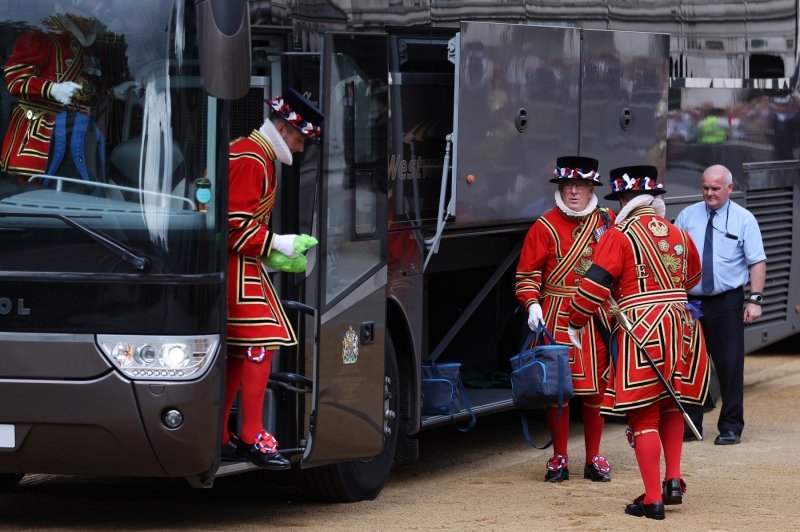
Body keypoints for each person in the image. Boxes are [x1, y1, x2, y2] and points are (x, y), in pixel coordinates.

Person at [567, 165, 710, 520]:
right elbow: (694, 274)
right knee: (672, 401)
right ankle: (673, 478)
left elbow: (596, 285)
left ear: (625, 198)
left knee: (643, 412)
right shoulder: (678, 232)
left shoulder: (618, 234)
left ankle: (652, 499)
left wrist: (575, 319)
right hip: (681, 326)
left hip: (642, 327)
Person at [222, 88, 323, 469]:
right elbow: (233, 225)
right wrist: (277, 242)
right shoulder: (252, 158)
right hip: (237, 270)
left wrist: (274, 252)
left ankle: (225, 432)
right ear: (282, 128)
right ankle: (251, 433)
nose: (299, 149)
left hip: (242, 267)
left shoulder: (254, 152)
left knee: (241, 350)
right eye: (299, 139)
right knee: (261, 343)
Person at [515, 155, 615, 483]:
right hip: (556, 313)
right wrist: (532, 304)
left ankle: (594, 457)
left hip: (595, 314)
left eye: (581, 185)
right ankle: (559, 457)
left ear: (591, 188)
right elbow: (527, 274)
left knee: (595, 390)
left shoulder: (607, 220)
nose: (573, 191)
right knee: (556, 389)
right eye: (568, 185)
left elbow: (620, 264)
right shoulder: (543, 226)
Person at [674, 164, 766, 445]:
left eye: (715, 188)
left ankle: (730, 426)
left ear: (729, 188)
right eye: (705, 187)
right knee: (690, 365)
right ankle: (691, 425)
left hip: (726, 302)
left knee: (729, 365)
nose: (709, 193)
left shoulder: (744, 219)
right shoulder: (687, 216)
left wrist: (755, 300)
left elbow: (757, 261)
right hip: (692, 302)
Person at [1, 1, 123, 182]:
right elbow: (15, 79)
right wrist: (52, 89)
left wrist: (114, 92)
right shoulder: (40, 36)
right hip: (41, 133)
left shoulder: (86, 46)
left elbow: (90, 89)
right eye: (87, 16)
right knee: (34, 194)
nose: (90, 21)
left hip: (78, 133)